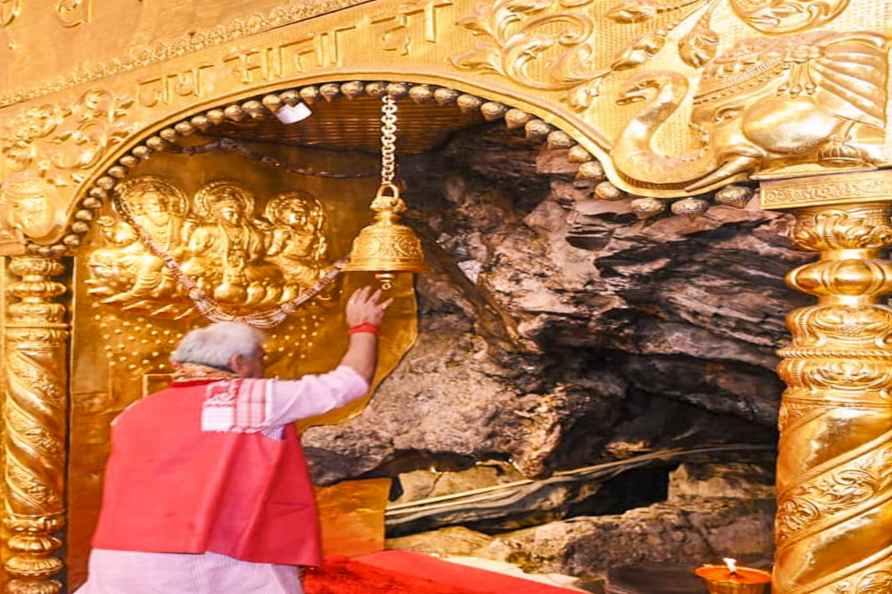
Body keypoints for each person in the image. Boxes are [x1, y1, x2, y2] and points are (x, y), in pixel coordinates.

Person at [76, 286, 392, 594]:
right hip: (208, 555)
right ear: (238, 363)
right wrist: (364, 326)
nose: (264, 368)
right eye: (260, 359)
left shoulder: (134, 411)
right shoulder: (251, 397)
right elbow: (348, 383)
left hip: (118, 557)